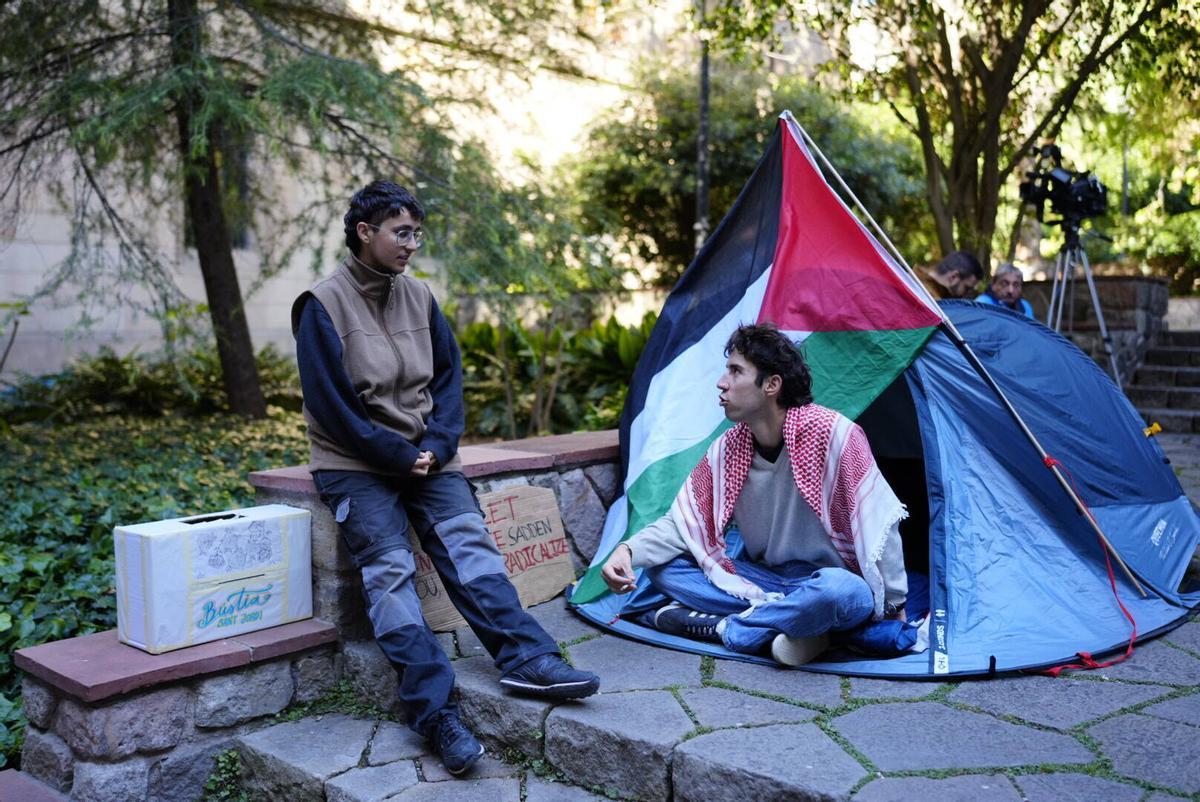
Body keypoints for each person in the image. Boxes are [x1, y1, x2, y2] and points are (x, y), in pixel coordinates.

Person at [292, 180, 599, 776]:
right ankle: (436, 714)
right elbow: (330, 405)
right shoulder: (320, 304)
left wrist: (435, 444)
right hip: (356, 466)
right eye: (401, 232)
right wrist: (393, 455)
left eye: (416, 232)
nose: (412, 244)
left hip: (427, 458)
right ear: (365, 232)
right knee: (390, 576)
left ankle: (528, 657)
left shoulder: (420, 297)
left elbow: (450, 382)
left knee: (472, 548)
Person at [600, 324, 909, 666]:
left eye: (735, 371)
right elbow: (683, 524)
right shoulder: (729, 447)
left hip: (829, 581)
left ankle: (728, 629)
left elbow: (879, 521)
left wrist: (894, 605)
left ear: (771, 385)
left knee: (841, 593)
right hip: (766, 580)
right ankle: (807, 630)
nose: (722, 382)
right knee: (663, 569)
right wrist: (627, 550)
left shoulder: (833, 434)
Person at [920, 250, 984, 300]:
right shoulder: (930, 301)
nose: (966, 294)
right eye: (966, 288)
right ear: (953, 277)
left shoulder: (915, 279)